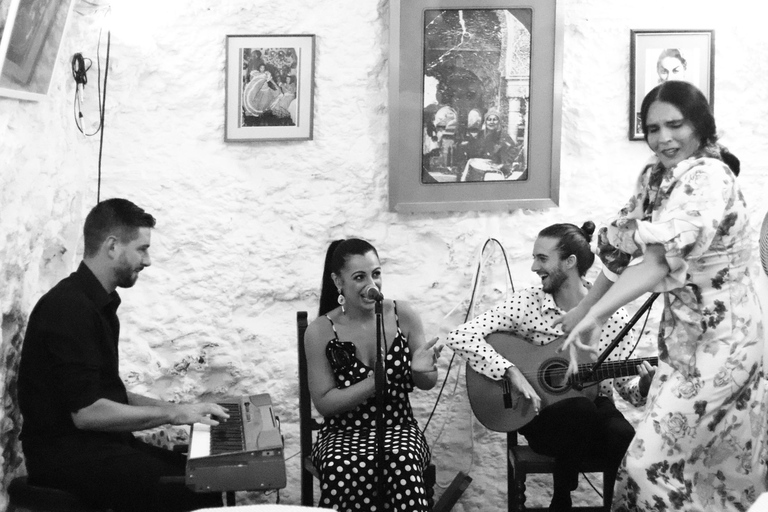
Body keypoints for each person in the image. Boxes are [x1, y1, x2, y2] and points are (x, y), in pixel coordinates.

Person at [557, 80, 768, 511]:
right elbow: (620, 252)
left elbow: (656, 261)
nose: (664, 138)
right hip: (683, 340)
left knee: (649, 464)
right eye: (653, 129)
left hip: (727, 342)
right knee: (699, 468)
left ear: (700, 126)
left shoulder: (710, 176)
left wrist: (594, 315)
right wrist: (582, 305)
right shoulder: (654, 175)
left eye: (675, 125)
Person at [18, 198, 230, 512]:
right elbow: (88, 413)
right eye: (142, 248)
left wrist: (184, 408)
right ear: (113, 246)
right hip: (66, 459)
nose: (148, 261)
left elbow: (108, 394)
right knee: (195, 489)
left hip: (96, 448)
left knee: (203, 474)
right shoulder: (69, 308)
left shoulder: (97, 304)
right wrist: (174, 415)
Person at [448, 222, 654, 512]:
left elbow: (625, 389)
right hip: (541, 416)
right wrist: (511, 371)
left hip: (593, 412)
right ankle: (562, 499)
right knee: (579, 410)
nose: (534, 266)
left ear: (570, 262)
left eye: (542, 258)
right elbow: (460, 336)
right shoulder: (527, 304)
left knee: (621, 433)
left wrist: (644, 386)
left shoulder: (614, 318)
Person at [304, 238, 442, 511]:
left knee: (402, 459)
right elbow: (324, 403)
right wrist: (371, 385)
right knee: (341, 467)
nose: (372, 284)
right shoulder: (320, 330)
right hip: (341, 433)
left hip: (399, 427)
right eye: (359, 277)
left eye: (376, 274)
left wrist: (423, 371)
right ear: (338, 281)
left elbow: (426, 383)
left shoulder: (404, 314)